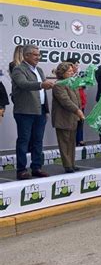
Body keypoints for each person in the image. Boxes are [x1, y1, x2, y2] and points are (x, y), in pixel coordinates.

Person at [11, 44, 55, 180]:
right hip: (25, 111)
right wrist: (41, 84)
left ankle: (36, 167)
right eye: (35, 55)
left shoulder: (39, 70)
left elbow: (43, 93)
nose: (38, 57)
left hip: (40, 110)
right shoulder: (19, 69)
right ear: (26, 55)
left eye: (39, 54)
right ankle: (21, 170)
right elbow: (23, 84)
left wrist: (46, 110)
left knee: (38, 140)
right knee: (24, 140)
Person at [52, 62, 84, 173]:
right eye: (69, 71)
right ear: (62, 73)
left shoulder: (72, 83)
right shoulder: (59, 85)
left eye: (72, 71)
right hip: (63, 118)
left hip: (73, 117)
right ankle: (67, 165)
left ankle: (72, 163)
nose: (72, 73)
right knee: (64, 142)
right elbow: (65, 101)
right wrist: (78, 110)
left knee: (71, 142)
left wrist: (79, 110)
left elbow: (77, 99)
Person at [65, 58, 86, 146]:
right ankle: (72, 141)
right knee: (72, 122)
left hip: (81, 101)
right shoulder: (66, 77)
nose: (77, 67)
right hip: (72, 102)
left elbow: (84, 86)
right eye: (76, 65)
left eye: (78, 65)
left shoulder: (80, 74)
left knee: (80, 121)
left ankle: (80, 139)